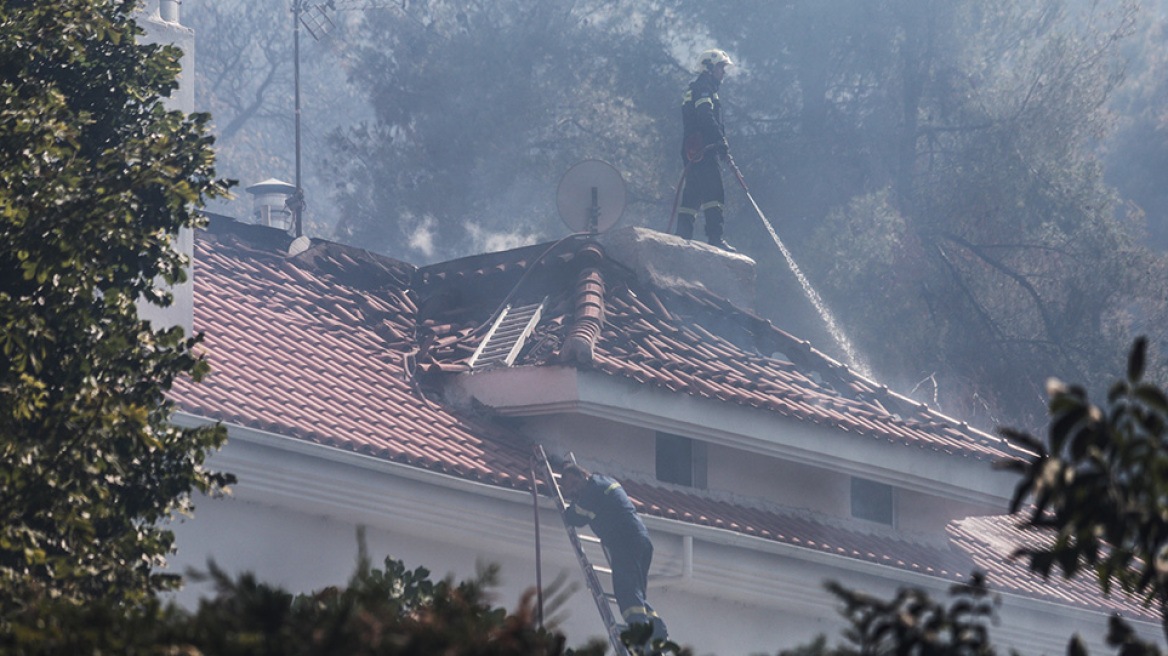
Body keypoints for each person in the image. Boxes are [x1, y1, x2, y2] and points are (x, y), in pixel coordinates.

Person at [559, 463, 668, 643]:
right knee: (636, 593)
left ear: (583, 476)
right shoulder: (604, 481)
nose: (572, 490)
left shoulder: (591, 492)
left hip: (626, 544)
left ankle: (641, 635)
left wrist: (572, 502)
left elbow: (574, 517)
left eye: (573, 484)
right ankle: (657, 630)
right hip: (641, 542)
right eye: (568, 489)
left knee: (627, 593)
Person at [678, 48, 735, 252]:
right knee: (714, 193)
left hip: (693, 149)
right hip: (703, 148)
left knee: (693, 193)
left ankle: (681, 237)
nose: (724, 72)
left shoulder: (699, 88)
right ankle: (715, 238)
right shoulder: (704, 89)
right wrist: (720, 142)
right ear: (709, 68)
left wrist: (721, 147)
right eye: (721, 67)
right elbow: (706, 117)